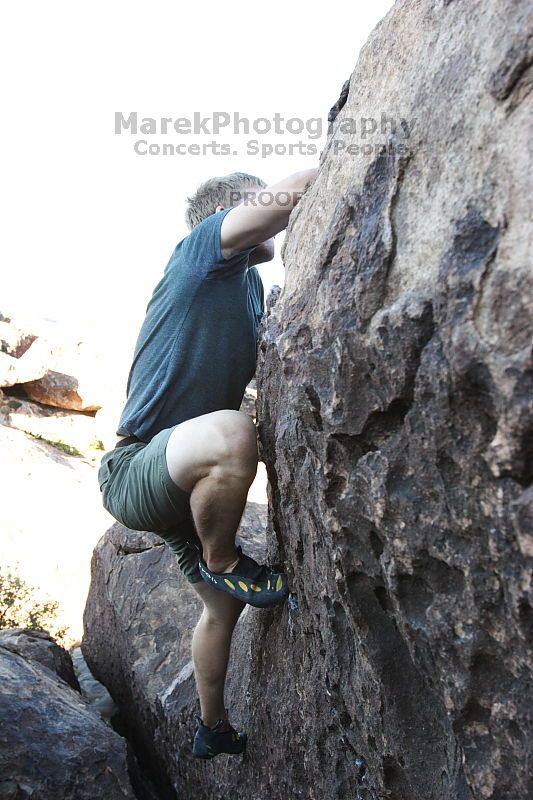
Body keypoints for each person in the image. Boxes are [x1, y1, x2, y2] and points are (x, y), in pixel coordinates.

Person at [97, 166, 318, 759]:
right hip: (139, 467)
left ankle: (212, 727)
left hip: (183, 479)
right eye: (254, 199)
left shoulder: (246, 286)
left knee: (222, 611)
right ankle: (223, 557)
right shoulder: (200, 252)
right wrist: (337, 164)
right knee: (231, 433)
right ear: (230, 212)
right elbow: (284, 200)